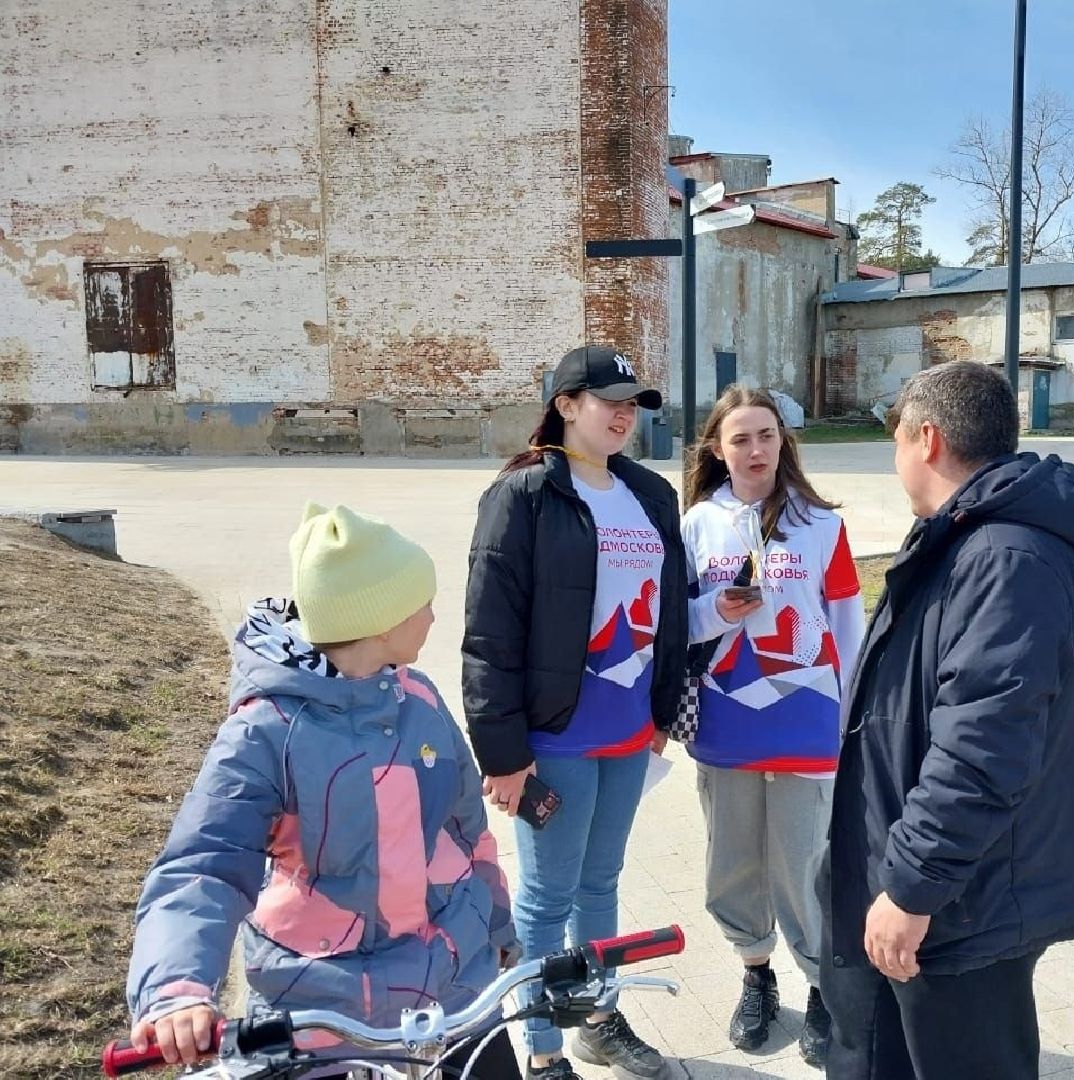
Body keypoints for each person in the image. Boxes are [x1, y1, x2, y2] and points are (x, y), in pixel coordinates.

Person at [821, 361, 1074, 1080]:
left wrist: (912, 885)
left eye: (895, 436)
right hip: (918, 884)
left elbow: (984, 745)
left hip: (961, 906)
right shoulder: (963, 535)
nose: (893, 453)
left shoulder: (1007, 557)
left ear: (926, 438)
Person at [125, 503, 521, 1078]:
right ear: (382, 619)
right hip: (319, 1009)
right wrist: (178, 989)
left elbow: (467, 834)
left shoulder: (421, 700)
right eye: (423, 603)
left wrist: (498, 927)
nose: (435, 617)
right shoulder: (266, 732)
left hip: (452, 986)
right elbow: (203, 865)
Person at [462, 345, 687, 1080]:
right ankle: (543, 1047)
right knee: (547, 892)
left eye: (634, 403)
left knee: (603, 880)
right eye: (608, 399)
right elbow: (489, 631)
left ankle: (597, 1015)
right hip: (552, 738)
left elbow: (671, 613)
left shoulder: (651, 494)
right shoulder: (522, 496)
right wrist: (502, 755)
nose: (625, 414)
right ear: (564, 405)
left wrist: (663, 713)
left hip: (627, 736)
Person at [679, 387, 864, 1068]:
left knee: (803, 864)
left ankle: (821, 987)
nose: (756, 450)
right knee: (733, 866)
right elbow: (682, 627)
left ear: (784, 440)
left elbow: (848, 623)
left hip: (808, 724)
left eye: (766, 435)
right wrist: (717, 613)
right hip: (726, 723)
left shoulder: (822, 525)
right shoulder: (697, 524)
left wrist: (852, 718)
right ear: (716, 449)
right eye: (740, 439)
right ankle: (756, 973)